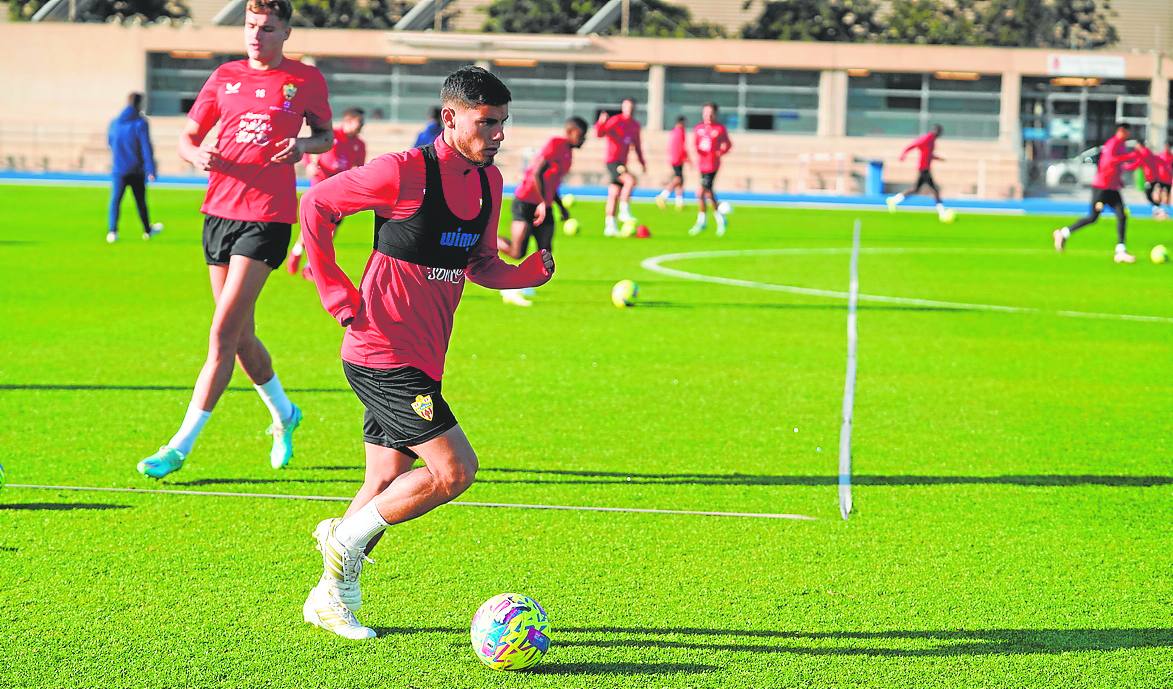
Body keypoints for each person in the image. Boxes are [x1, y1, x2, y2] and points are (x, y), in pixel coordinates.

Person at [297, 66, 554, 640]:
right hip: (380, 349)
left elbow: (481, 264)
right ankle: (341, 540)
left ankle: (329, 596)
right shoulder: (403, 172)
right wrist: (335, 289)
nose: (498, 136)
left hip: (424, 358)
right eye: (487, 123)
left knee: (385, 480)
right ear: (450, 117)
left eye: (502, 124)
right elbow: (317, 205)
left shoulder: (489, 184)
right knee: (455, 469)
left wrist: (522, 275)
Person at [136, 0, 334, 479]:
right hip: (217, 214)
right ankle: (286, 414)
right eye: (250, 26)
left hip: (267, 218)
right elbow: (187, 136)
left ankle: (178, 447)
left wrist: (303, 145)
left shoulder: (305, 80)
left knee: (222, 333)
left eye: (266, 28)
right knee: (242, 336)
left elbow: (325, 136)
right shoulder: (224, 76)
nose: (255, 35)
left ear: (285, 32)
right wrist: (193, 155)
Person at [498, 116, 586, 306]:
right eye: (581, 135)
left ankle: (522, 284)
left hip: (543, 204)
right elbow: (537, 173)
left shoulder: (569, 155)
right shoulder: (556, 144)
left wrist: (561, 207)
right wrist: (543, 203)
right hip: (526, 200)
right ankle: (485, 241)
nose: (583, 139)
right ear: (570, 132)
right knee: (516, 251)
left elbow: (552, 183)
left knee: (545, 251)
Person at [287, 107, 367, 275]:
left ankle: (310, 266)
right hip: (321, 185)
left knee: (331, 228)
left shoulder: (359, 144)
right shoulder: (332, 136)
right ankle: (297, 252)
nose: (361, 126)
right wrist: (310, 164)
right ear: (349, 120)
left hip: (340, 191)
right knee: (314, 225)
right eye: (359, 123)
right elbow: (311, 151)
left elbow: (358, 167)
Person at [1052, 123, 1140, 264]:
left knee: (1122, 215)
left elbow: (1117, 166)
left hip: (1112, 187)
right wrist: (1130, 156)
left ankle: (1120, 251)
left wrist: (1121, 178)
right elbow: (1109, 162)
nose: (1129, 135)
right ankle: (1062, 233)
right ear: (1121, 131)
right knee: (1093, 217)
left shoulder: (1121, 145)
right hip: (1102, 187)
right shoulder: (1112, 144)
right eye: (1127, 132)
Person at [107, 92, 163, 243]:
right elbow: (146, 147)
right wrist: (150, 170)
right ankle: (147, 230)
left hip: (119, 169)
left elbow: (110, 142)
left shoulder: (114, 123)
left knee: (115, 200)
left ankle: (112, 231)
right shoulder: (140, 123)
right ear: (139, 104)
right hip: (136, 170)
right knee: (140, 202)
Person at [595, 97, 646, 236]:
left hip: (622, 162)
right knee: (630, 180)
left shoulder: (635, 125)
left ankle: (609, 226)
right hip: (613, 161)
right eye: (626, 107)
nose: (628, 110)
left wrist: (642, 162)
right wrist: (601, 122)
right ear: (622, 108)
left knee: (614, 194)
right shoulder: (616, 121)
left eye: (631, 107)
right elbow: (600, 133)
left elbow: (637, 146)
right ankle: (624, 211)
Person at [886, 124, 950, 221]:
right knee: (935, 190)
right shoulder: (927, 138)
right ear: (936, 131)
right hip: (924, 169)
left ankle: (894, 200)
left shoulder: (932, 141)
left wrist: (938, 158)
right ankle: (942, 213)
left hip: (925, 169)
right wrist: (904, 154)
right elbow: (913, 145)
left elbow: (928, 154)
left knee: (916, 189)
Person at [687, 103, 733, 237]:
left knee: (704, 191)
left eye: (710, 113)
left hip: (713, 165)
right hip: (702, 165)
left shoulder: (719, 129)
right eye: (705, 113)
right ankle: (711, 220)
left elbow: (728, 144)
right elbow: (696, 144)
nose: (708, 115)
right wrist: (699, 150)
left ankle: (712, 221)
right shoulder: (698, 129)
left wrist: (720, 152)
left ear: (715, 114)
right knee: (703, 193)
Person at [656, 115, 689, 211]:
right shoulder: (680, 132)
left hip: (674, 158)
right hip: (677, 159)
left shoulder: (674, 131)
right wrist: (686, 157)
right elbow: (681, 147)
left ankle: (679, 203)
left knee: (680, 181)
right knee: (678, 179)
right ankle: (663, 196)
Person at [1132, 140, 1167, 220]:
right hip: (1151, 176)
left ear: (1139, 145)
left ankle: (1159, 209)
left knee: (1148, 194)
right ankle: (1157, 209)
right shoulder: (1146, 151)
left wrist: (1125, 167)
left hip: (1151, 177)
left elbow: (1138, 163)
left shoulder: (1144, 152)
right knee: (1149, 194)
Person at [1156, 142, 1173, 213]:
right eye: (1165, 146)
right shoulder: (1160, 156)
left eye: (1168, 146)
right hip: (1161, 178)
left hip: (1168, 179)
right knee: (1159, 192)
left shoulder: (1171, 157)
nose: (1166, 148)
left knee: (1168, 194)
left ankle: (1166, 209)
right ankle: (1158, 207)